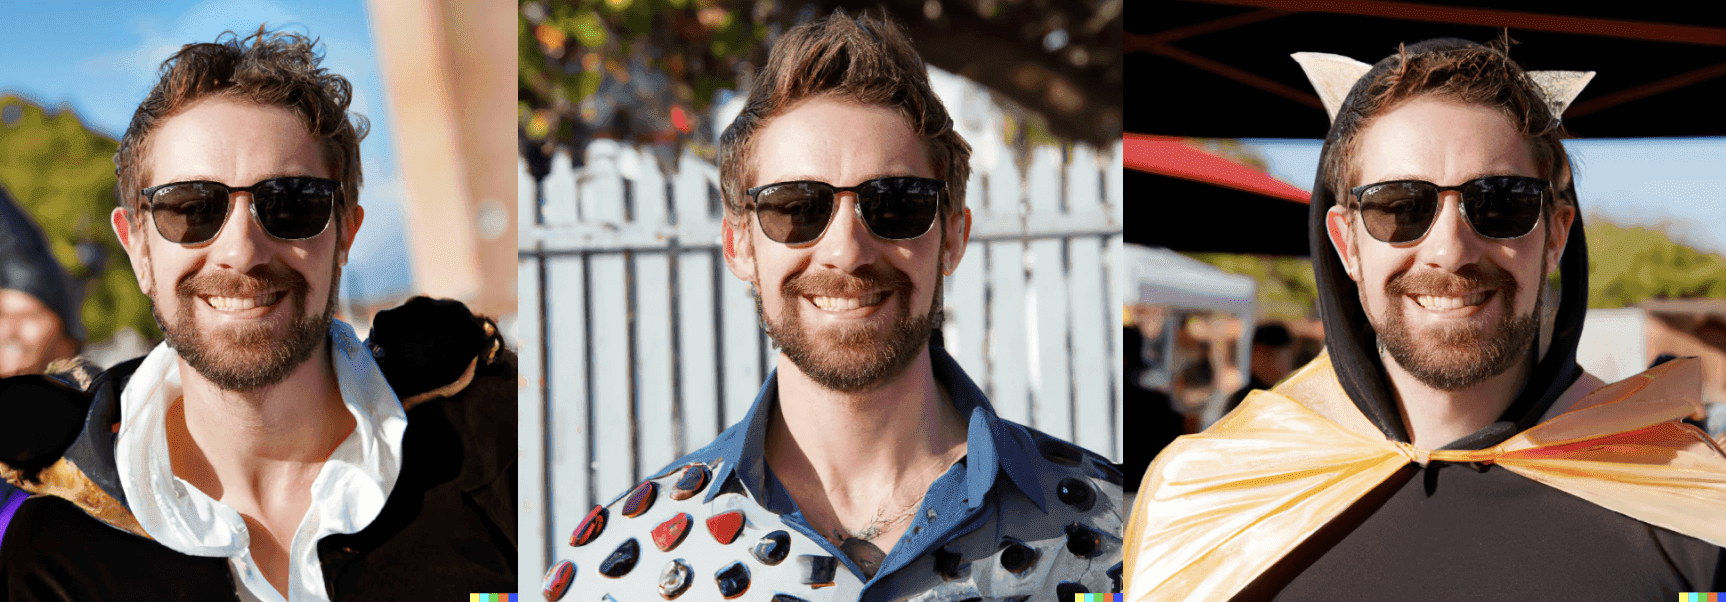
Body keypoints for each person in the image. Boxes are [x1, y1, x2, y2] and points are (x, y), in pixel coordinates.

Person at [543, 13, 1123, 601]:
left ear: (951, 236)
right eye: (796, 207)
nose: (846, 251)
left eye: (896, 203)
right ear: (739, 245)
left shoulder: (1120, 541)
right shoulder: (619, 571)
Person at [0, 27, 516, 602]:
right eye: (190, 208)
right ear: (136, 248)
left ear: (345, 235)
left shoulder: (496, 442)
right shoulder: (58, 549)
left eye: (291, 204)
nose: (241, 249)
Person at [1127, 38, 1726, 600]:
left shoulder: (1696, 507)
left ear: (1556, 236)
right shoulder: (1205, 498)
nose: (1450, 249)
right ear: (1346, 244)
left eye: (1500, 202)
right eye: (1399, 207)